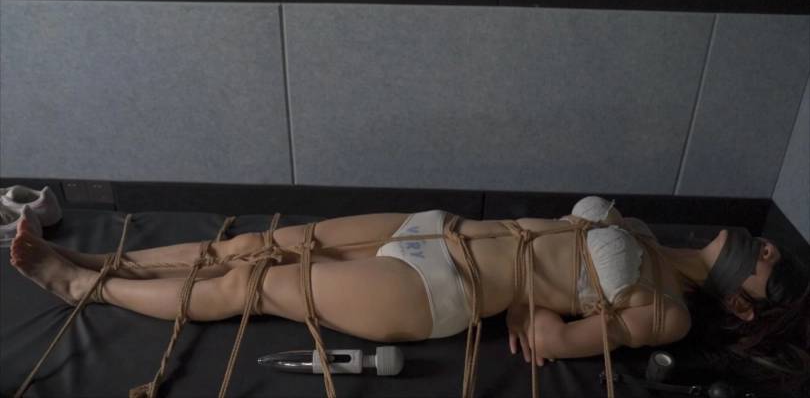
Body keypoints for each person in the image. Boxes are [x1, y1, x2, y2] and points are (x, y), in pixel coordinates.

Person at [8, 196, 810, 391]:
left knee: (251, 284)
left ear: (744, 304)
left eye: (770, 268)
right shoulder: (637, 229)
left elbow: (549, 341)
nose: (768, 248)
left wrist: (534, 300)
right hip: (437, 229)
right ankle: (98, 258)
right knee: (249, 243)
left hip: (437, 288)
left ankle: (78, 285)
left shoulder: (667, 313)